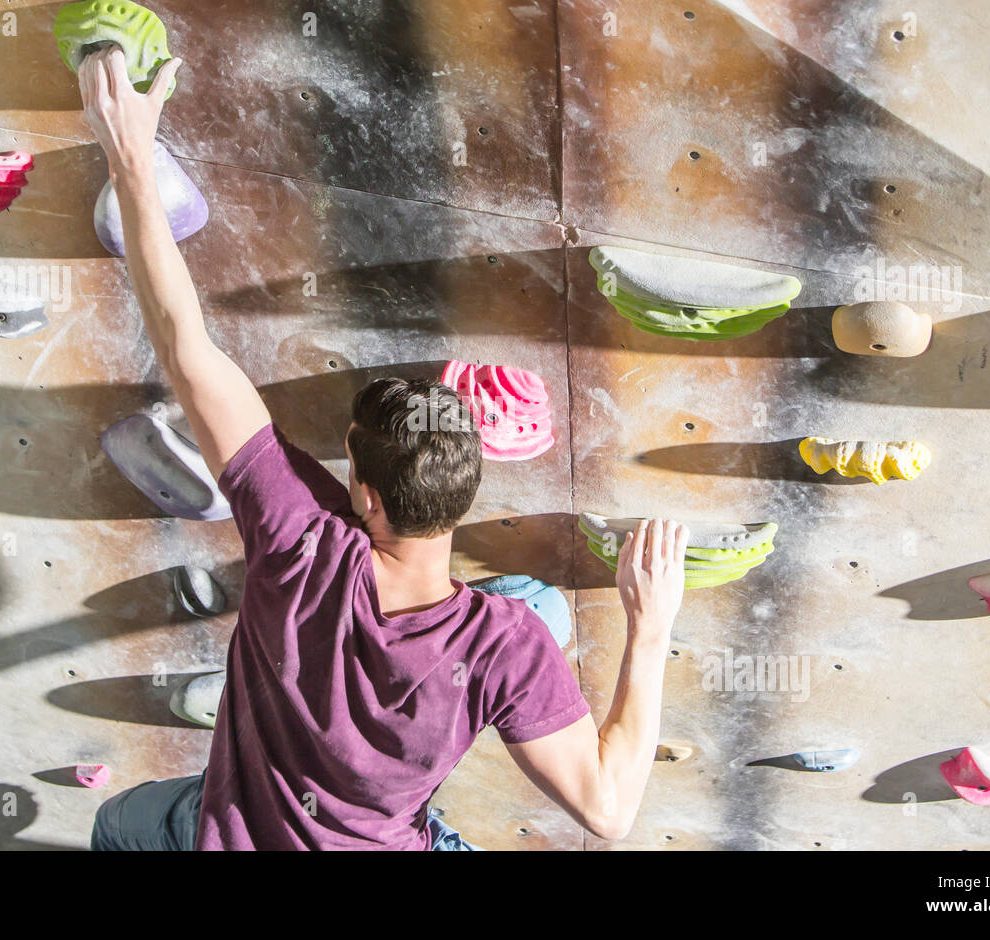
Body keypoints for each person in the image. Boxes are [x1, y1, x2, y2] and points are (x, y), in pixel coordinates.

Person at [80, 47, 691, 851]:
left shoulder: (298, 539)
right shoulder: (501, 646)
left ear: (364, 492)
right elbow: (610, 812)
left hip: (229, 833)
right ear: (464, 493)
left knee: (117, 826)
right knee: (536, 614)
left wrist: (129, 154)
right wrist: (650, 624)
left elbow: (186, 347)